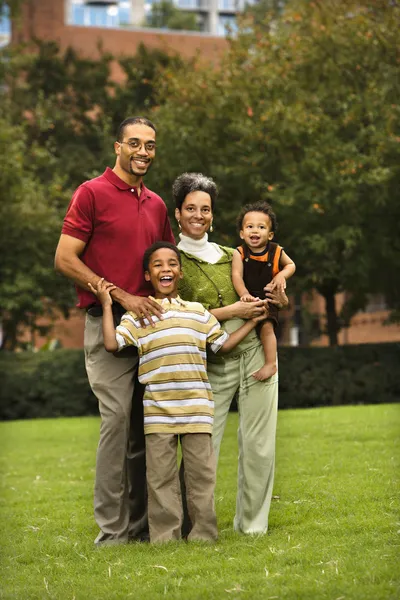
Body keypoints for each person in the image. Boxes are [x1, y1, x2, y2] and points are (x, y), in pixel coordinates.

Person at [88, 242, 267, 543]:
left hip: (197, 411)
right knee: (160, 480)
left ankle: (203, 535)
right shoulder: (137, 317)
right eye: (157, 265)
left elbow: (221, 346)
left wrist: (252, 321)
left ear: (180, 273)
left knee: (201, 479)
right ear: (147, 275)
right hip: (158, 414)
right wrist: (107, 305)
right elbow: (111, 345)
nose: (166, 269)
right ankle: (165, 537)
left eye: (171, 263)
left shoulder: (199, 313)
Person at [54, 117, 175, 546]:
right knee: (117, 420)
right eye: (135, 144)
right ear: (117, 147)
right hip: (106, 322)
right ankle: (112, 532)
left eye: (151, 145)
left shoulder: (158, 204)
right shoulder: (91, 193)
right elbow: (66, 259)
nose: (144, 151)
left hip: (152, 328)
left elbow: (167, 266)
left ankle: (142, 528)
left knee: (148, 427)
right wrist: (121, 297)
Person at [173, 172, 288, 535]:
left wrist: (279, 299)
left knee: (259, 446)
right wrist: (232, 313)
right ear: (177, 213)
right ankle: (192, 525)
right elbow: (177, 315)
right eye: (190, 208)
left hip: (255, 351)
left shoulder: (232, 255)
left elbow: (268, 298)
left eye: (205, 209)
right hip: (210, 360)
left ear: (213, 214)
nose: (198, 215)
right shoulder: (169, 261)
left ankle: (252, 526)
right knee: (202, 449)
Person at [232, 201, 295, 381]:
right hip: (248, 299)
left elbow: (291, 265)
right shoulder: (239, 253)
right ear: (242, 233)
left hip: (267, 299)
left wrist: (282, 275)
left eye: (261, 227)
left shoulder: (276, 251)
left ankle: (270, 363)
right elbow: (236, 275)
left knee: (267, 328)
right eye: (250, 226)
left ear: (270, 234)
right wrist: (243, 293)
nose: (255, 231)